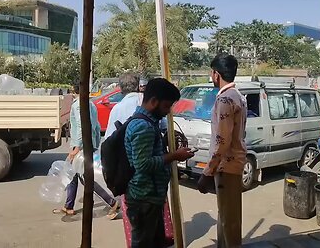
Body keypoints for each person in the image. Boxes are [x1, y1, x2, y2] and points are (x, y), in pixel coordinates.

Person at [124, 78, 194, 247]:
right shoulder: (143, 127)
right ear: (154, 101)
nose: (168, 111)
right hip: (144, 198)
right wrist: (174, 156)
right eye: (166, 106)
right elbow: (143, 164)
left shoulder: (146, 122)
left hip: (148, 198)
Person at [198, 54, 247, 248]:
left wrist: (208, 171)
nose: (211, 77)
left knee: (229, 220)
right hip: (232, 163)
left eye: (212, 73)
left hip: (227, 166)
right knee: (226, 215)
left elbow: (222, 141)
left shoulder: (226, 99)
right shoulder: (238, 96)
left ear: (216, 74)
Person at [53, 80, 119, 219]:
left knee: (85, 178)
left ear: (73, 91)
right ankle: (68, 206)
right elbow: (95, 125)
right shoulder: (91, 104)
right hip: (87, 144)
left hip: (81, 145)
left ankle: (111, 202)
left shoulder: (78, 106)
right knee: (73, 175)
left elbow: (82, 127)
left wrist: (76, 148)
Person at [104, 73, 142, 139]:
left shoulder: (117, 109)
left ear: (121, 89)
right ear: (138, 87)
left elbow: (109, 136)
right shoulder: (146, 102)